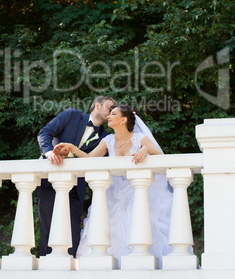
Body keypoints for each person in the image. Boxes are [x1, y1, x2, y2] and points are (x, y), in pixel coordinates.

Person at [54, 104, 173, 269]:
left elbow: (160, 156)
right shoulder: (108, 140)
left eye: (113, 114)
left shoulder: (139, 138)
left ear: (123, 119)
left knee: (136, 226)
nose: (108, 116)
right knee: (109, 229)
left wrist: (145, 149)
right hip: (113, 192)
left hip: (136, 190)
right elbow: (90, 158)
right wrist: (73, 149)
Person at [37, 95, 116, 257]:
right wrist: (49, 152)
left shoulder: (105, 138)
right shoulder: (71, 115)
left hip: (77, 185)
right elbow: (45, 132)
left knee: (73, 227)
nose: (111, 112)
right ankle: (45, 264)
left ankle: (71, 265)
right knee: (47, 224)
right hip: (50, 179)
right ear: (97, 106)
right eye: (110, 107)